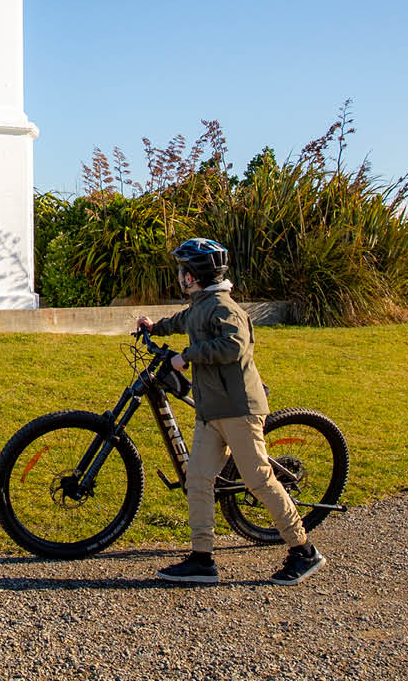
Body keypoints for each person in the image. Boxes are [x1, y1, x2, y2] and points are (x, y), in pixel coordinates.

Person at [137, 237, 325, 586]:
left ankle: (304, 550)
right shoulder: (201, 304)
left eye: (183, 270)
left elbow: (233, 345)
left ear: (193, 276)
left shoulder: (225, 307)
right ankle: (202, 559)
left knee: (258, 479)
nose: (180, 275)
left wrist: (186, 357)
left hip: (239, 410)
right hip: (212, 411)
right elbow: (184, 321)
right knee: (198, 478)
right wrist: (155, 327)